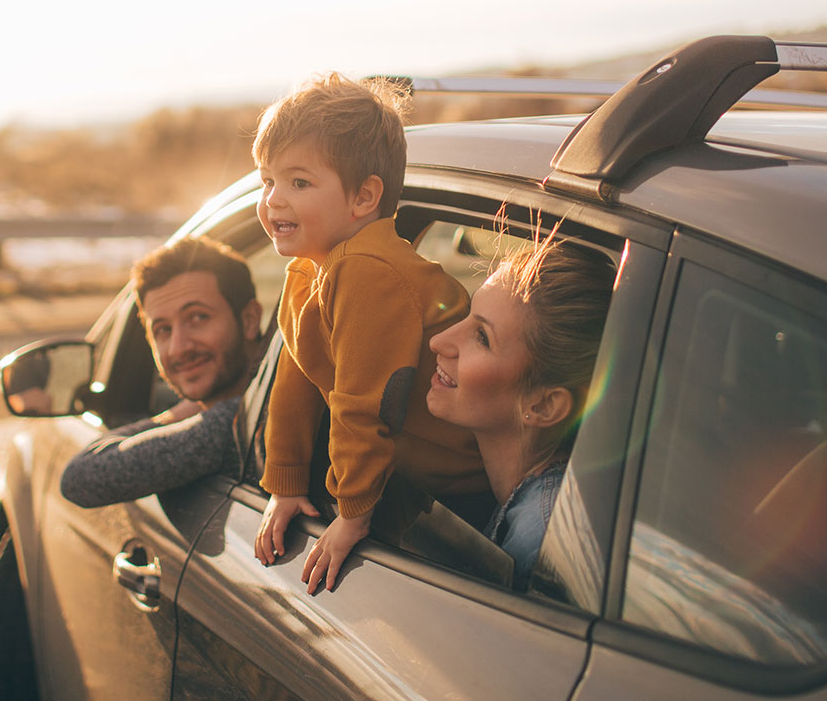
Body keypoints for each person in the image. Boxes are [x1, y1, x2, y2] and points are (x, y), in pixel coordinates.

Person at [251, 72, 486, 594]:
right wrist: (286, 483)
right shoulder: (311, 270)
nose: (274, 201)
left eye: (299, 182)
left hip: (463, 489)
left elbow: (363, 402)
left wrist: (352, 513)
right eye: (267, 181)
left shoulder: (367, 271)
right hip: (417, 482)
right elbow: (296, 382)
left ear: (363, 197)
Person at [426, 239, 615, 590]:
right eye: (468, 315)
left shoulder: (537, 545)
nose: (439, 341)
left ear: (543, 406)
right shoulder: (546, 506)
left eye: (482, 337)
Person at [60, 236, 263, 507]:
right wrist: (184, 412)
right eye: (163, 330)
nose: (179, 348)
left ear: (249, 319)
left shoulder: (243, 422)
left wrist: (176, 416)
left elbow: (80, 478)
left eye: (198, 317)